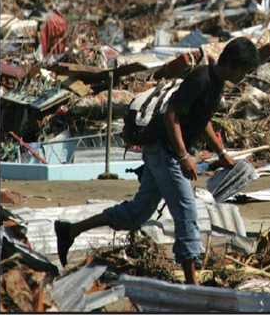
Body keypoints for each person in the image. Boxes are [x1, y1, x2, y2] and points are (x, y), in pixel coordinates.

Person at [54, 37, 259, 284]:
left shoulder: (216, 84)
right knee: (187, 213)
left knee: (137, 214)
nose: (244, 76)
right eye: (244, 70)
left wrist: (221, 152)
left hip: (164, 152)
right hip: (165, 152)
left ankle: (70, 230)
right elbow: (171, 116)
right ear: (233, 64)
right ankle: (192, 284)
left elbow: (202, 119)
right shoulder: (200, 79)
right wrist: (184, 156)